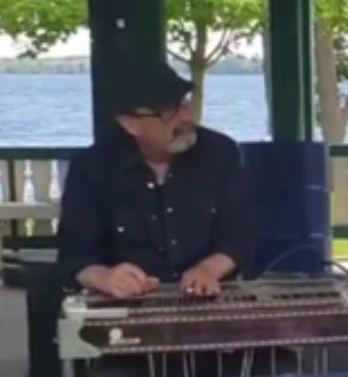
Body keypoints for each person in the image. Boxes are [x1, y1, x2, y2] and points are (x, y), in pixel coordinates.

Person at [55, 59, 292, 377]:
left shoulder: (221, 153)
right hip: (129, 328)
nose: (185, 118)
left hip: (215, 320)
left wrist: (209, 269)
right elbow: (75, 254)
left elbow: (241, 235)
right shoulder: (92, 169)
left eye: (185, 104)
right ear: (130, 122)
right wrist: (104, 277)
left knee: (278, 366)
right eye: (170, 112)